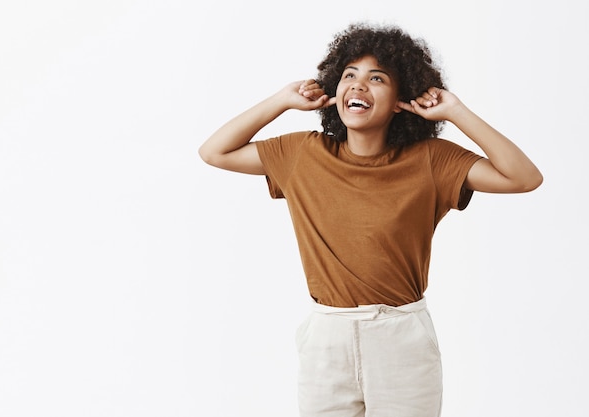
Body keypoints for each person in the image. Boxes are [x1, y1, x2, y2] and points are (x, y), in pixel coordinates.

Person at [198, 22, 542, 417]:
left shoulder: (431, 160)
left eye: (376, 78)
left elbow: (524, 177)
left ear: (401, 99)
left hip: (401, 338)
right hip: (326, 337)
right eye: (349, 76)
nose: (358, 86)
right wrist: (281, 100)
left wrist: (457, 112)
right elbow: (214, 151)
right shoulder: (302, 155)